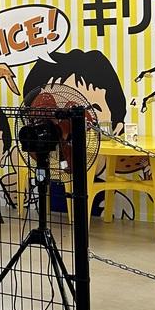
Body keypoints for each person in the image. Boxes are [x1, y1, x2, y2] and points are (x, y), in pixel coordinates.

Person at [21, 49, 132, 218]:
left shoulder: (121, 203)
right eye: (56, 110)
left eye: (91, 110)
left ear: (116, 127)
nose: (67, 119)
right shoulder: (49, 147)